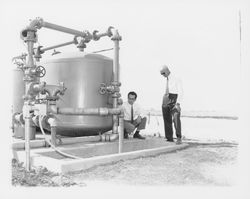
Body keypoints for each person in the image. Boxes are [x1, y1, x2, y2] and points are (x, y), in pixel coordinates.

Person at [160, 65, 183, 144]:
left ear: (167, 70)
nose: (162, 75)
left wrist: (178, 103)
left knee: (176, 118)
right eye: (161, 74)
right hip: (165, 98)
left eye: (163, 73)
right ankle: (169, 138)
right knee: (166, 119)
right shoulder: (165, 79)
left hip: (174, 98)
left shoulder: (176, 78)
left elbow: (181, 92)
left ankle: (179, 137)